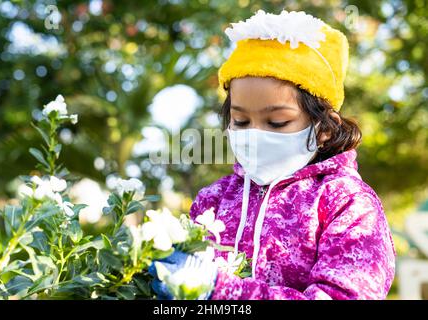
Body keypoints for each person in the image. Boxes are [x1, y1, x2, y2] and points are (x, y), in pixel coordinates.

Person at [148, 9, 396, 300]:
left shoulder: (347, 204)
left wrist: (221, 292)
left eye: (277, 122)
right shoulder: (213, 200)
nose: (255, 134)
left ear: (324, 128)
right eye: (240, 122)